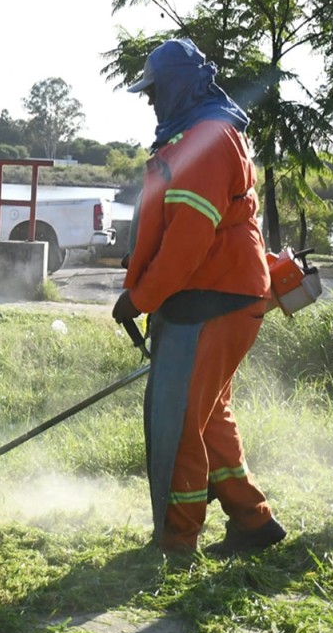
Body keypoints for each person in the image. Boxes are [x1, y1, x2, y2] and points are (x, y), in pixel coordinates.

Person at [111, 37, 286, 557]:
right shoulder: (200, 134)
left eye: (155, 89)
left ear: (181, 87)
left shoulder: (208, 137)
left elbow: (190, 238)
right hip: (218, 295)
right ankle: (253, 522)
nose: (149, 100)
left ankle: (176, 540)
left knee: (178, 418)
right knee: (206, 415)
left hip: (212, 298)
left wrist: (139, 298)